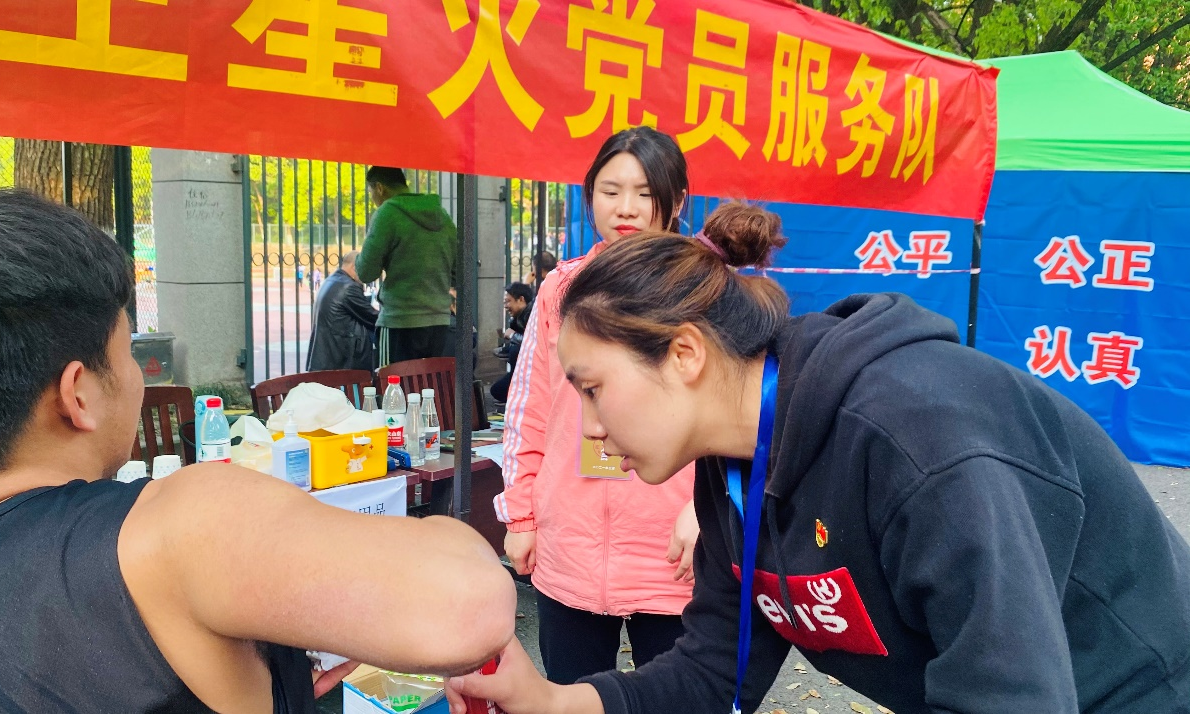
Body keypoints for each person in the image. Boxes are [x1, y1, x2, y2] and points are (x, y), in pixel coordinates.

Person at [448, 202, 1190, 714]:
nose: (590, 427)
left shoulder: (915, 436)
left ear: (683, 354)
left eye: (592, 389)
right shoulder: (731, 471)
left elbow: (1010, 697)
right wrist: (550, 701)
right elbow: (713, 674)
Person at [0, 189, 515, 711]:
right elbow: (469, 603)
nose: (136, 375)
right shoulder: (173, 528)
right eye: (128, 353)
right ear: (78, 394)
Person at [494, 127, 700, 686]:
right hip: (570, 548)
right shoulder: (560, 290)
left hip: (673, 553)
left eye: (644, 193)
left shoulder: (702, 292)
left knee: (675, 698)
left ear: (677, 200)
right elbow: (528, 411)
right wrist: (521, 517)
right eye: (610, 191)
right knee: (571, 694)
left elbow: (742, 420)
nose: (626, 208)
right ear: (590, 196)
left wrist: (705, 511)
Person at [357, 166, 458, 366]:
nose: (372, 198)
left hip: (399, 320)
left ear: (379, 188)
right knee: (426, 383)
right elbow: (457, 272)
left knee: (392, 383)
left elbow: (366, 272)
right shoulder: (442, 216)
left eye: (371, 192)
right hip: (438, 321)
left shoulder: (387, 213)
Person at [306, 250, 380, 372]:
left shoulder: (332, 280)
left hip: (326, 356)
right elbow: (372, 317)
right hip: (341, 358)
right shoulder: (349, 287)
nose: (366, 274)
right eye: (364, 268)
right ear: (355, 267)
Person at [490, 281, 535, 404]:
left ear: (521, 300)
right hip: (520, 373)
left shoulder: (533, 315)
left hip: (531, 374)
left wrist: (512, 336)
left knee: (497, 391)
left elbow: (533, 342)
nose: (506, 306)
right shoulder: (518, 318)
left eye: (508, 301)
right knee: (497, 390)